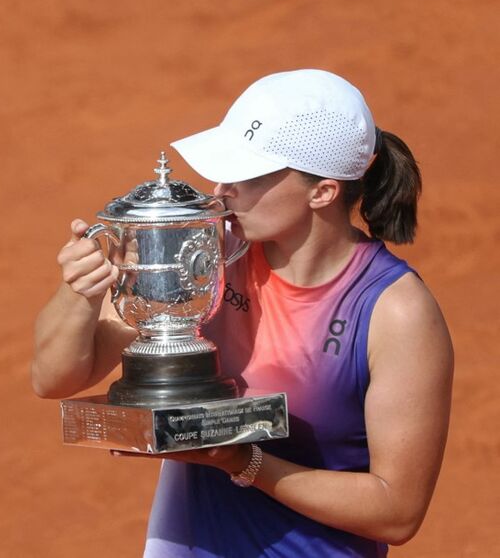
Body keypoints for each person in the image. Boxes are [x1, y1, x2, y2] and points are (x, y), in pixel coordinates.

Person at [31, 69, 453, 557]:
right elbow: (54, 379)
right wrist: (78, 293)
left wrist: (243, 461)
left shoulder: (395, 311)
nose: (221, 189)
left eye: (247, 176)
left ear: (324, 192)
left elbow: (397, 510)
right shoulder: (203, 253)